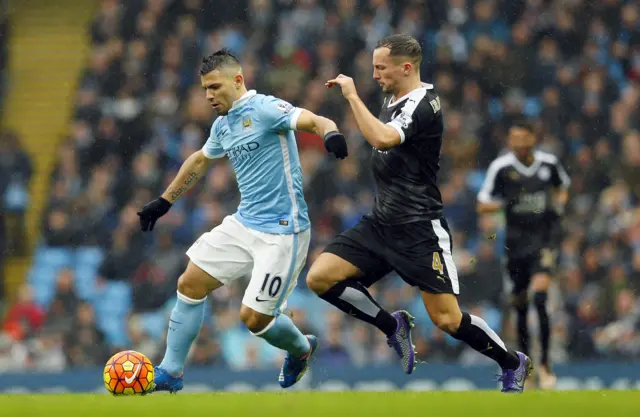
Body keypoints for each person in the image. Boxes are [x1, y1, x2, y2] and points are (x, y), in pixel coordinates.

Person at [305, 34, 532, 393]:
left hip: (418, 228)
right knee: (319, 278)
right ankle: (392, 327)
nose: (375, 74)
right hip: (381, 223)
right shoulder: (392, 95)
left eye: (381, 67)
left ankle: (513, 362)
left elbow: (382, 139)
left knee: (447, 319)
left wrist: (350, 96)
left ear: (406, 68)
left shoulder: (423, 104)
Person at [137, 49, 349, 393]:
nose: (208, 96)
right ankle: (171, 371)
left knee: (254, 319)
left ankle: (301, 348)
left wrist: (331, 135)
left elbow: (315, 120)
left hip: (284, 231)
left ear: (237, 80)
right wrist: (163, 202)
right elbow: (199, 162)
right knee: (190, 283)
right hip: (245, 222)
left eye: (215, 87)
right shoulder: (223, 125)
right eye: (205, 89)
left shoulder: (265, 108)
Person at [477, 120, 570, 389]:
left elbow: (562, 186)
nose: (518, 143)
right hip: (515, 248)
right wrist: (505, 203)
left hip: (543, 242)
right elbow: (482, 204)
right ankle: (526, 367)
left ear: (533, 138)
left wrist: (558, 207)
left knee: (540, 296)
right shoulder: (502, 168)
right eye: (513, 139)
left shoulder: (548, 164)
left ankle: (546, 366)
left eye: (522, 138)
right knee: (520, 306)